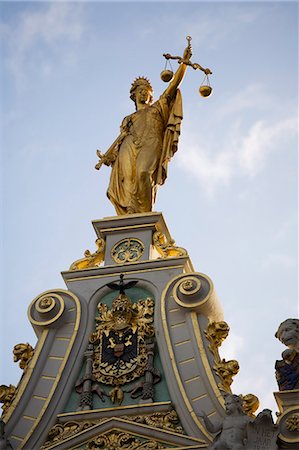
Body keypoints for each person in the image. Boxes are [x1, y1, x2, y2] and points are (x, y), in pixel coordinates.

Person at [98, 42, 193, 215]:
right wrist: (110, 156)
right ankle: (129, 215)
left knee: (143, 174)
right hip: (129, 146)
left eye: (146, 90)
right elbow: (120, 140)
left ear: (151, 94)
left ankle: (144, 216)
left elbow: (173, 87)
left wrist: (184, 64)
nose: (142, 93)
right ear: (133, 96)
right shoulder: (128, 118)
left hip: (150, 143)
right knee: (126, 181)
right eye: (139, 91)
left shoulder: (157, 108)